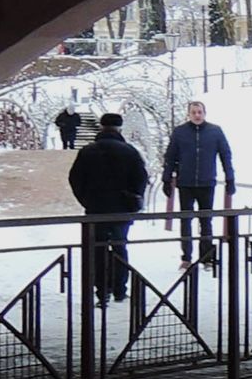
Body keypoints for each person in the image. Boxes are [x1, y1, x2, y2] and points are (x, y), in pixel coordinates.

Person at [68, 113, 148, 307]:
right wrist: (133, 201)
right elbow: (141, 179)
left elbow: (75, 179)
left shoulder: (87, 151)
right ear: (120, 128)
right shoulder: (130, 151)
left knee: (98, 250)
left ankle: (102, 292)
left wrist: (87, 201)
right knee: (120, 247)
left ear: (101, 127)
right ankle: (120, 290)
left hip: (96, 210)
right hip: (121, 209)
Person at [161, 100, 235, 268]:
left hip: (206, 183)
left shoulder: (215, 131)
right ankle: (186, 257)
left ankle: (207, 257)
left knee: (206, 221)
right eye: (193, 112)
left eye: (199, 112)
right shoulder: (180, 132)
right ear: (189, 114)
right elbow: (170, 156)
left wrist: (230, 178)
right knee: (185, 220)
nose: (196, 115)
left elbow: (226, 155)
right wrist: (167, 178)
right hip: (185, 183)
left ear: (204, 113)